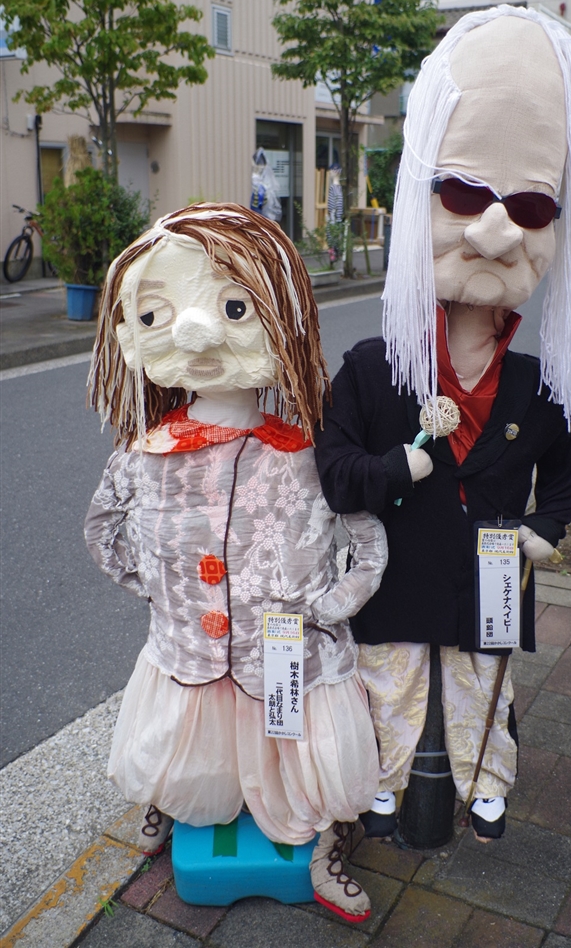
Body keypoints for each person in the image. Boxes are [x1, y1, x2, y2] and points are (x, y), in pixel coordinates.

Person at [314, 7, 571, 843]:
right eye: (465, 193)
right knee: (389, 678)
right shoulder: (373, 366)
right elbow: (333, 470)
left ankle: (486, 783)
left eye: (528, 205)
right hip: (397, 570)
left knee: (486, 683)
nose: (492, 227)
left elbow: (565, 467)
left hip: (489, 573)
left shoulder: (537, 384)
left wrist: (544, 527)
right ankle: (382, 786)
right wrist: (394, 469)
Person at [85, 203, 387, 921]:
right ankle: (170, 799)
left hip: (290, 654)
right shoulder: (146, 451)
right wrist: (164, 592)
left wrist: (329, 606)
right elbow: (102, 530)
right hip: (187, 647)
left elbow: (367, 539)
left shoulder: (308, 453)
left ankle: (324, 842)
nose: (196, 332)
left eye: (233, 307)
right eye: (155, 316)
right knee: (182, 742)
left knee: (307, 763)